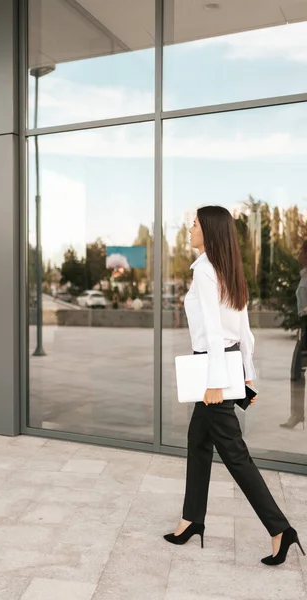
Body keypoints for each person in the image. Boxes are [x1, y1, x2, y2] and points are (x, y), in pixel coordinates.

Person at [164, 206, 304, 566]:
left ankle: (280, 530)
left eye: (194, 223)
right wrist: (246, 371)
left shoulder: (207, 272)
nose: (189, 228)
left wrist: (216, 382)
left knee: (234, 454)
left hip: (213, 371)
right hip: (222, 365)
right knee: (198, 442)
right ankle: (191, 520)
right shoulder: (225, 269)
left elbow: (214, 331)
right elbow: (242, 330)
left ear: (208, 231)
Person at [281, 240, 307, 429]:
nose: (298, 253)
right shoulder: (304, 275)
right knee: (297, 371)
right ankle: (297, 414)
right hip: (304, 327)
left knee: (297, 371)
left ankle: (296, 415)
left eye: (301, 250)